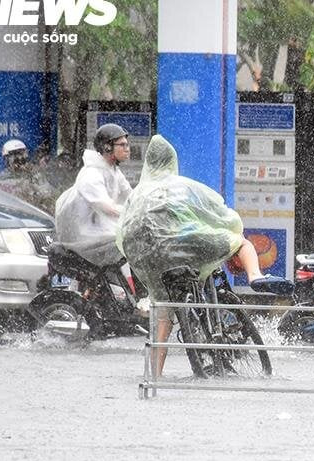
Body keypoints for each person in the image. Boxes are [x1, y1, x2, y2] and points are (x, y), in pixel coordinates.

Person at [116, 134, 290, 376]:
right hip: (186, 247)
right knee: (241, 243)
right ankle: (255, 277)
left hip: (147, 258)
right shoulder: (183, 186)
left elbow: (120, 233)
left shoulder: (136, 195)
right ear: (171, 162)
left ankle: (154, 373)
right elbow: (223, 214)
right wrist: (229, 228)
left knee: (164, 310)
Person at [53, 124, 134, 267]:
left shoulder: (113, 171)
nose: (127, 149)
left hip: (101, 232)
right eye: (122, 145)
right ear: (107, 147)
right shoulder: (91, 174)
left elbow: (131, 196)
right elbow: (107, 208)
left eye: (127, 144)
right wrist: (133, 214)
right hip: (86, 238)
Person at [0, 138, 56, 214]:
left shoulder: (34, 175)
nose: (20, 160)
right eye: (16, 157)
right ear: (7, 159)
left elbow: (48, 194)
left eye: (22, 156)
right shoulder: (1, 179)